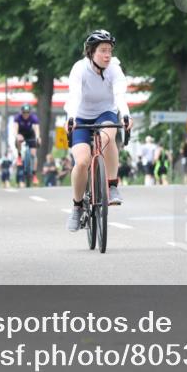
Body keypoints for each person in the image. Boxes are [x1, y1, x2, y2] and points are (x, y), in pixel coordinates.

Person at [63, 30, 133, 232]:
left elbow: (120, 94)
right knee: (82, 161)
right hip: (81, 116)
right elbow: (74, 95)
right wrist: (71, 118)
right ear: (91, 53)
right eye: (103, 51)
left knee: (107, 137)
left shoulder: (114, 69)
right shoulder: (79, 69)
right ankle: (77, 207)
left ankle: (111, 185)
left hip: (105, 113)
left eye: (109, 50)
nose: (107, 55)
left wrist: (125, 115)